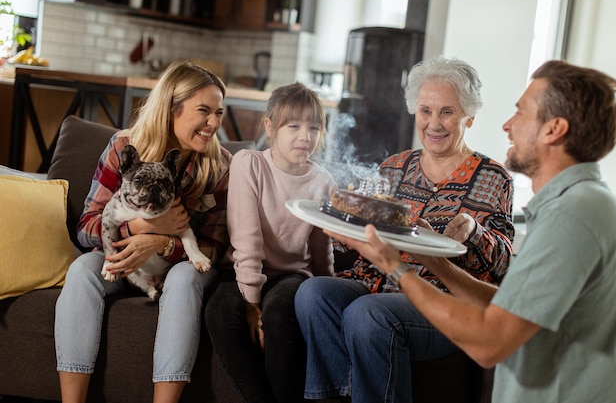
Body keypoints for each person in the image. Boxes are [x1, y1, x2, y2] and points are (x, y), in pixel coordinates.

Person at [328, 60, 616, 403]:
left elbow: (489, 343)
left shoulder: (573, 216)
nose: (507, 125)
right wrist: (430, 256)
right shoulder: (579, 205)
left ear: (553, 129)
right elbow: (505, 306)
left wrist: (397, 267)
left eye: (521, 112)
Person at [295, 56, 515, 403]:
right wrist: (337, 226)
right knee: (313, 294)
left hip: (441, 301)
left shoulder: (492, 177)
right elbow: (360, 240)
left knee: (366, 314)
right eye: (425, 111)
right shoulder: (395, 167)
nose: (434, 124)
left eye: (447, 112)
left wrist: (474, 231)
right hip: (374, 284)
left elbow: (504, 268)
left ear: (469, 117)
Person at [54, 60, 231, 403]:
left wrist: (162, 243)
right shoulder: (123, 147)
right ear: (171, 109)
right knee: (81, 271)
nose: (214, 123)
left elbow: (215, 249)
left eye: (219, 113)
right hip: (119, 256)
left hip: (179, 266)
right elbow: (87, 228)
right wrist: (139, 226)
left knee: (183, 280)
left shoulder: (219, 164)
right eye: (204, 111)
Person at [203, 82, 337, 403]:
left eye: (314, 127)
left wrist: (329, 293)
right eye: (294, 126)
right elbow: (246, 237)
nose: (305, 136)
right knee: (220, 311)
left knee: (279, 311)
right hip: (247, 270)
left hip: (292, 275)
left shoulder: (323, 181)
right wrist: (251, 302)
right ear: (270, 127)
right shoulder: (249, 164)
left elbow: (322, 248)